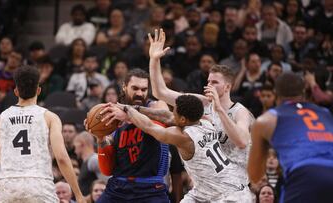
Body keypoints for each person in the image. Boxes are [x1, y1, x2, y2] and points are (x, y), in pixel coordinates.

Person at [148, 29, 254, 201]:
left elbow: (242, 141)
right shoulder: (202, 103)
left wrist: (219, 110)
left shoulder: (240, 112)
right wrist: (154, 59)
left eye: (215, 82)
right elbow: (160, 92)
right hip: (203, 187)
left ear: (228, 87)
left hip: (232, 188)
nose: (208, 85)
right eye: (208, 81)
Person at [100, 94, 252, 202]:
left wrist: (127, 110)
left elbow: (149, 126)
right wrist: (134, 109)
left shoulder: (184, 138)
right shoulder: (204, 121)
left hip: (229, 194)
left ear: (183, 119)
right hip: (207, 189)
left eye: (175, 110)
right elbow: (166, 116)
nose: (172, 112)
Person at [0, 65, 85, 203]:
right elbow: (61, 157)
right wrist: (78, 194)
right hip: (39, 188)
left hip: (7, 189)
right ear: (38, 90)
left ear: (16, 91)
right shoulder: (50, 117)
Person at [86, 68, 170, 203]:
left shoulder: (156, 106)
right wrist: (100, 137)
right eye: (135, 88)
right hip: (119, 186)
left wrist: (128, 114)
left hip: (150, 188)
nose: (139, 93)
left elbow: (158, 127)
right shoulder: (113, 117)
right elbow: (107, 170)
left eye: (144, 89)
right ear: (124, 87)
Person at [248, 72, 333, 203]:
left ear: (275, 93)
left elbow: (255, 175)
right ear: (304, 91)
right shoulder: (326, 113)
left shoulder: (267, 119)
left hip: (303, 174)